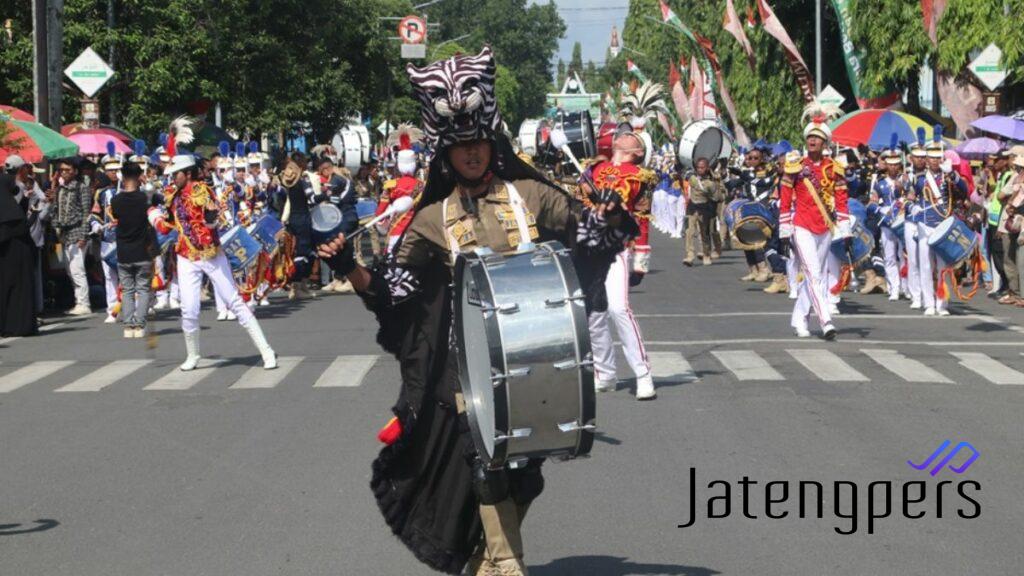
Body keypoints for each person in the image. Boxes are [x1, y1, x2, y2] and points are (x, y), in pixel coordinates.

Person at [318, 47, 635, 576]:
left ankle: (486, 554)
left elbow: (586, 232)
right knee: (484, 463)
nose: (471, 154)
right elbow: (396, 291)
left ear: (492, 146)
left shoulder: (530, 194)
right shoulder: (429, 220)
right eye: (460, 147)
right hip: (468, 366)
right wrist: (350, 265)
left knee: (525, 475)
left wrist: (607, 215)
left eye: (478, 144)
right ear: (446, 154)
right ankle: (505, 566)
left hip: (538, 350)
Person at [162, 149, 277, 371]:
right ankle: (193, 354)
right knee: (189, 308)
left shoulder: (202, 191)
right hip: (186, 256)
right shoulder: (173, 195)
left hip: (211, 254)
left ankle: (266, 350)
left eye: (176, 173)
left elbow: (212, 220)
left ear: (186, 173)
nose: (172, 178)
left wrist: (211, 218)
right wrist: (154, 214)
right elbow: (168, 223)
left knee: (235, 302)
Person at [581, 126, 655, 400]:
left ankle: (643, 374)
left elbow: (643, 218)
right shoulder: (594, 169)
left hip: (617, 247)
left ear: (638, 151)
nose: (625, 134)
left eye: (632, 137)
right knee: (594, 313)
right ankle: (605, 373)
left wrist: (641, 261)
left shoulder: (640, 176)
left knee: (619, 309)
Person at [779, 106, 850, 340]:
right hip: (802, 225)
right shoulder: (796, 165)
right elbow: (786, 198)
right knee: (815, 274)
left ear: (824, 143)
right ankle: (826, 320)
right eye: (810, 137)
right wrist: (784, 229)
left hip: (826, 228)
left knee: (814, 276)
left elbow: (841, 199)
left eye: (817, 138)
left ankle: (799, 319)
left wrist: (845, 230)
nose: (812, 141)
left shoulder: (834, 168)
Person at [911, 128, 969, 316]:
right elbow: (911, 196)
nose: (935, 161)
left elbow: (964, 190)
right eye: (932, 158)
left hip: (942, 224)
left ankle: (941, 303)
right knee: (926, 265)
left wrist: (952, 174)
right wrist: (912, 206)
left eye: (938, 157)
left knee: (943, 266)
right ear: (926, 159)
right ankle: (928, 302)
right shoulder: (919, 178)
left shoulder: (948, 176)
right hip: (925, 224)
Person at [110, 162, 155, 338]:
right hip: (142, 249)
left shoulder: (116, 200)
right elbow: (158, 200)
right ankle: (140, 325)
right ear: (139, 177)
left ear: (122, 175)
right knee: (143, 289)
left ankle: (128, 326)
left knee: (128, 289)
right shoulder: (145, 198)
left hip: (123, 251)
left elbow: (116, 216)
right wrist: (147, 185)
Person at [50, 158, 93, 315]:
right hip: (64, 233)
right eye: (61, 170)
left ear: (75, 171)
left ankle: (84, 302)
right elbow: (55, 210)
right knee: (69, 269)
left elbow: (86, 214)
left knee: (77, 269)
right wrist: (56, 228)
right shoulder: (61, 189)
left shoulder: (82, 188)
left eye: (67, 170)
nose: (64, 173)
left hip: (77, 232)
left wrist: (83, 235)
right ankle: (78, 301)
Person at [0, 173, 37, 336]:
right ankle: (21, 325)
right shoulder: (12, 209)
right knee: (20, 290)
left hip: (6, 257)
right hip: (21, 254)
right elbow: (22, 226)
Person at [871, 142, 906, 301]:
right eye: (890, 165)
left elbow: (912, 197)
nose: (893, 168)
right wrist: (879, 210)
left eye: (895, 165)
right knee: (890, 256)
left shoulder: (906, 180)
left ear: (899, 165)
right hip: (886, 223)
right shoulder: (880, 183)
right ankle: (894, 287)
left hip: (901, 221)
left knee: (904, 255)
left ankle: (906, 287)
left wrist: (903, 190)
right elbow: (872, 203)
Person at [91, 153, 124, 323]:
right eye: (110, 170)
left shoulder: (128, 190)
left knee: (128, 274)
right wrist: (95, 225)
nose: (113, 173)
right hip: (107, 238)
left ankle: (136, 305)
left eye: (116, 170)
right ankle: (112, 309)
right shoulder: (100, 193)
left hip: (126, 238)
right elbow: (95, 214)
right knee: (110, 275)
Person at [685, 157, 726, 266]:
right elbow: (681, 172)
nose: (700, 169)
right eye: (698, 167)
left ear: (707, 168)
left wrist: (717, 183)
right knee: (690, 231)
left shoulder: (711, 183)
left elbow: (719, 197)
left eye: (702, 167)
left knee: (706, 233)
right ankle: (690, 255)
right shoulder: (692, 178)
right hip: (693, 207)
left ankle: (707, 253)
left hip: (706, 209)